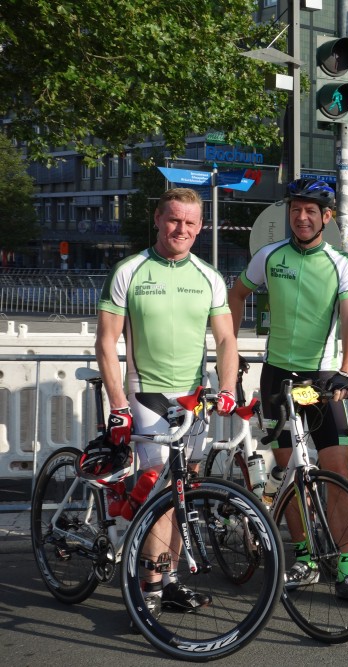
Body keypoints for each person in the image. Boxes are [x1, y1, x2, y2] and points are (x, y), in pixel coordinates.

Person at [95, 187, 239, 619]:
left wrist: (227, 388)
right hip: (145, 392)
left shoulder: (208, 276)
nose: (182, 229)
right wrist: (118, 402)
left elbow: (228, 338)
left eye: (190, 223)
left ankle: (170, 577)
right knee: (161, 485)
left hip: (192, 399)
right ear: (158, 219)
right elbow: (105, 342)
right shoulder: (130, 270)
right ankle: (151, 586)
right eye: (174, 220)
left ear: (200, 227)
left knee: (185, 491)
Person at [228, 178, 348, 603]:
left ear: (326, 217)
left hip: (322, 380)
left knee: (337, 473)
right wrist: (230, 351)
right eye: (296, 210)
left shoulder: (341, 263)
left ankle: (345, 569)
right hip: (277, 379)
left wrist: (345, 371)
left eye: (311, 210)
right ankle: (306, 558)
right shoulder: (270, 256)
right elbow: (236, 296)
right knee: (290, 473)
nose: (302, 217)